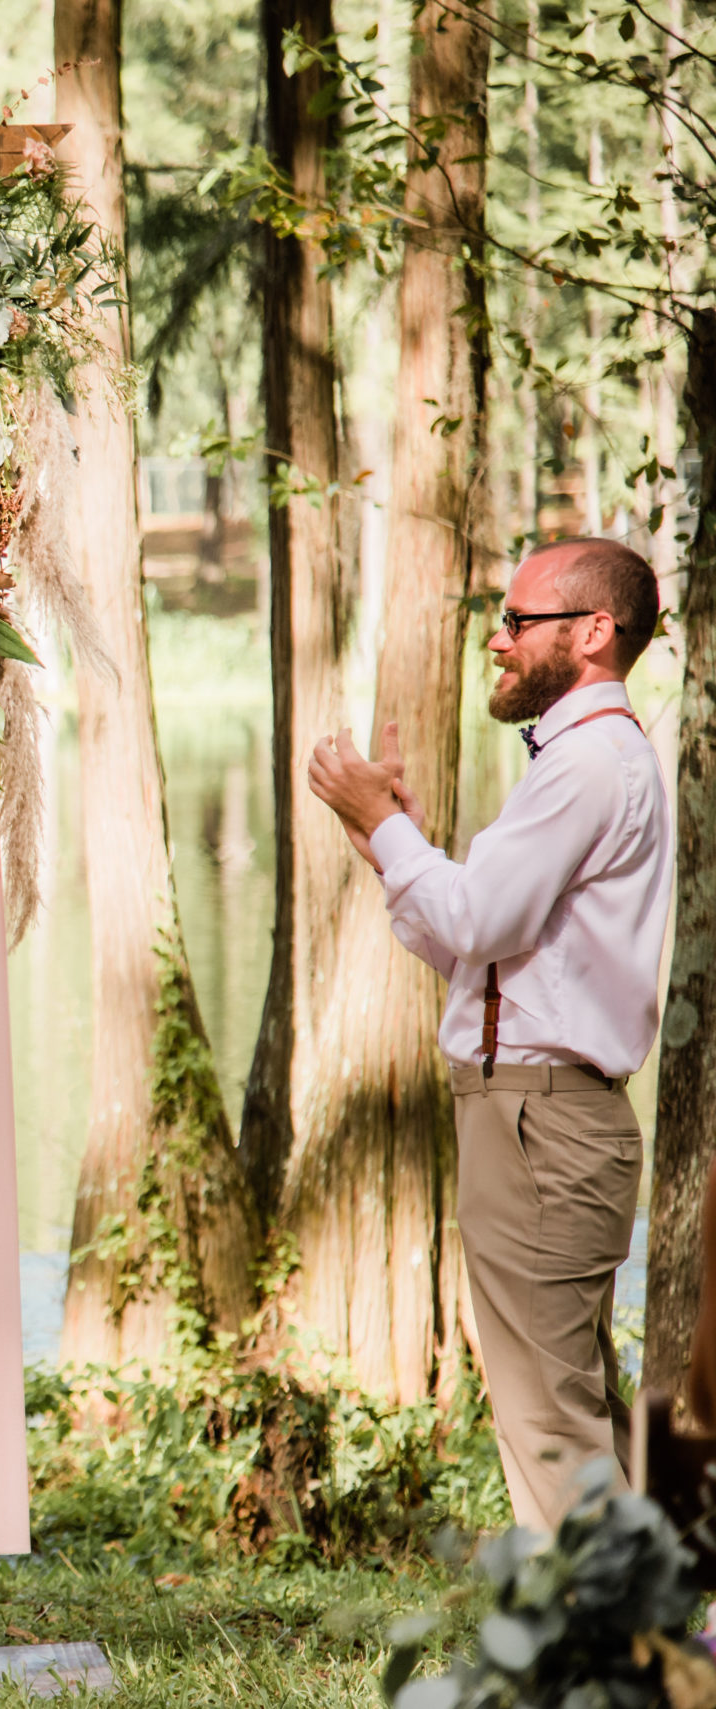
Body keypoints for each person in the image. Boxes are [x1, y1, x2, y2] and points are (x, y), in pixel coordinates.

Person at [307, 537, 671, 1531]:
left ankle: (596, 1663)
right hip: (534, 1114)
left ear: (593, 631)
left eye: (518, 620)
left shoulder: (589, 761)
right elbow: (484, 953)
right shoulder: (585, 756)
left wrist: (387, 830)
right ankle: (648, 1641)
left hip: (536, 1123)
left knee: (548, 1415)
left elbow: (474, 925)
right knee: (575, 1395)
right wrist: (390, 839)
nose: (496, 640)